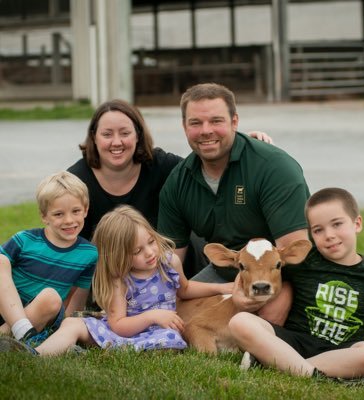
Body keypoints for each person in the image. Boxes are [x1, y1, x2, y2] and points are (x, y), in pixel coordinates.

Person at [157, 83, 310, 324]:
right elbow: (168, 262)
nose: (206, 131)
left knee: (267, 317)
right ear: (184, 126)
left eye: (216, 121)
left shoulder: (275, 168)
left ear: (235, 121)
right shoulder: (178, 182)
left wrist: (283, 295)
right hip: (226, 271)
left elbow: (296, 256)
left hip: (278, 276)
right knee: (173, 313)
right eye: (196, 123)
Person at [67, 99, 272, 278]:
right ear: (94, 137)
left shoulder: (161, 165)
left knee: (190, 236)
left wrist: (241, 144)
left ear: (138, 135)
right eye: (107, 134)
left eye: (125, 133)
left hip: (168, 263)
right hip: (108, 271)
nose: (117, 142)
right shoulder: (77, 180)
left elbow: (207, 165)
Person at [0, 205, 233, 355]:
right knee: (73, 324)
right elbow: (118, 325)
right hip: (125, 330)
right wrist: (152, 315)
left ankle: (68, 350)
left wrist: (223, 287)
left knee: (171, 339)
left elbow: (186, 288)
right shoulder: (120, 280)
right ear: (120, 256)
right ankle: (36, 355)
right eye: (137, 251)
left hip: (160, 333)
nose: (150, 253)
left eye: (151, 242)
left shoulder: (169, 262)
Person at [229, 187, 364, 391]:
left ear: (357, 223)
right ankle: (329, 378)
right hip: (292, 342)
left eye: (337, 224)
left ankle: (275, 364)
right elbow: (260, 265)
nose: (329, 235)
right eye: (318, 230)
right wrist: (237, 293)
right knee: (240, 322)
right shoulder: (303, 261)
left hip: (343, 352)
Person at [0, 171, 98, 346]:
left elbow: (77, 299)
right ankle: (15, 331)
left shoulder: (89, 254)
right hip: (5, 309)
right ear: (44, 216)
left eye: (75, 211)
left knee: (51, 297)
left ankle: (14, 332)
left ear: (86, 210)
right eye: (58, 214)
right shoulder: (24, 240)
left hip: (40, 316)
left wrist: (67, 328)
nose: (69, 220)